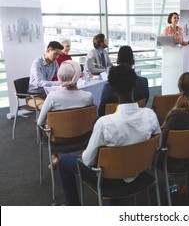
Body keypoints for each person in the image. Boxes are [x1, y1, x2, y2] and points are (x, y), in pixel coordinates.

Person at [58, 65, 161, 206]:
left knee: (64, 162)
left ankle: (73, 204)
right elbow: (158, 145)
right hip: (140, 170)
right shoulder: (150, 115)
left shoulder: (105, 123)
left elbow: (87, 161)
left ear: (111, 90)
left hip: (110, 179)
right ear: (135, 85)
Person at [37, 60, 94, 169]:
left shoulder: (52, 97)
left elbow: (40, 122)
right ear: (78, 76)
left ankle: (55, 159)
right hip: (83, 137)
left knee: (50, 125)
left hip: (59, 140)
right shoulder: (88, 96)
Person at [98, 45, 149, 117]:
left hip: (113, 125)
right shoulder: (144, 82)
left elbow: (101, 112)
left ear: (117, 61)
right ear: (133, 62)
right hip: (137, 119)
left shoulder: (110, 86)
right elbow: (145, 102)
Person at [27, 41, 63, 109]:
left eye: (58, 54)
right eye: (55, 54)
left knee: (62, 103)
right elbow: (40, 82)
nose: (57, 57)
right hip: (34, 96)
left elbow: (59, 76)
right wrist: (57, 83)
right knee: (47, 107)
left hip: (47, 94)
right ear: (48, 50)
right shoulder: (37, 63)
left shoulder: (54, 63)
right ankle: (42, 120)